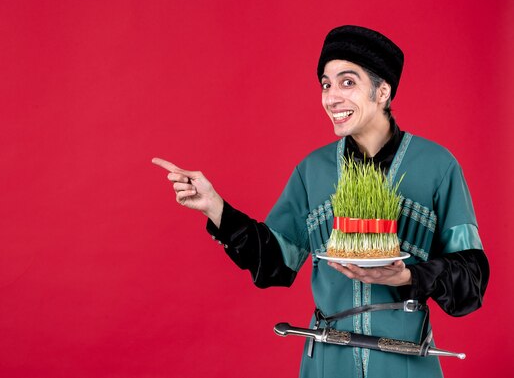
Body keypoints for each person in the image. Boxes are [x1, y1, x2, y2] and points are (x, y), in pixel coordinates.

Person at [152, 25, 489, 378]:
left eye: (347, 82)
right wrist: (214, 207)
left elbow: (471, 278)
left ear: (383, 91)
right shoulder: (313, 171)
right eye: (326, 85)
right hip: (328, 359)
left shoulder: (436, 165)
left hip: (405, 359)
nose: (331, 98)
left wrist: (406, 275)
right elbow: (275, 265)